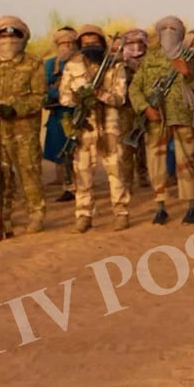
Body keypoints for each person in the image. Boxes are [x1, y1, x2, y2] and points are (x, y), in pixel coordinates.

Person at [129, 15, 194, 225]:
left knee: (186, 162)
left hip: (182, 116)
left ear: (181, 34)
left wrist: (188, 74)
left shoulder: (190, 57)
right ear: (159, 34)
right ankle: (160, 206)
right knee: (156, 163)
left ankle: (191, 206)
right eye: (165, 29)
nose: (169, 32)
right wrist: (145, 108)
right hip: (156, 119)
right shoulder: (150, 59)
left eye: (174, 29)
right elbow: (134, 88)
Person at [58, 25, 130, 232]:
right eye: (86, 42)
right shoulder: (72, 65)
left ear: (102, 42)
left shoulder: (115, 66)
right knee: (82, 172)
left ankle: (121, 212)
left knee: (115, 170)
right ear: (80, 44)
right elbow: (64, 97)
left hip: (109, 125)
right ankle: (83, 215)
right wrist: (79, 97)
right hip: (84, 126)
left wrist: (100, 94)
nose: (91, 46)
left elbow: (120, 98)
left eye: (95, 42)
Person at [0, 16, 47, 236]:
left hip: (24, 130)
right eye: (3, 36)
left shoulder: (33, 63)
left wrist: (15, 108)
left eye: (14, 35)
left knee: (29, 172)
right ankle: (2, 217)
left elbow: (40, 96)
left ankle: (36, 214)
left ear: (23, 38)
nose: (9, 40)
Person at [43, 26, 77, 201]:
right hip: (58, 113)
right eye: (63, 43)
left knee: (77, 151)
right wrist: (60, 94)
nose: (67, 46)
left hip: (77, 112)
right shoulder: (50, 64)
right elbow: (44, 86)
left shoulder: (82, 62)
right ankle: (67, 185)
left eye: (70, 42)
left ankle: (75, 186)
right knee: (60, 149)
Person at [119, 27, 150, 192]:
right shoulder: (119, 62)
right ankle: (127, 180)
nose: (135, 46)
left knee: (143, 144)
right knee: (126, 145)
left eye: (139, 42)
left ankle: (143, 175)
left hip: (145, 107)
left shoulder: (150, 62)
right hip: (126, 109)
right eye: (131, 42)